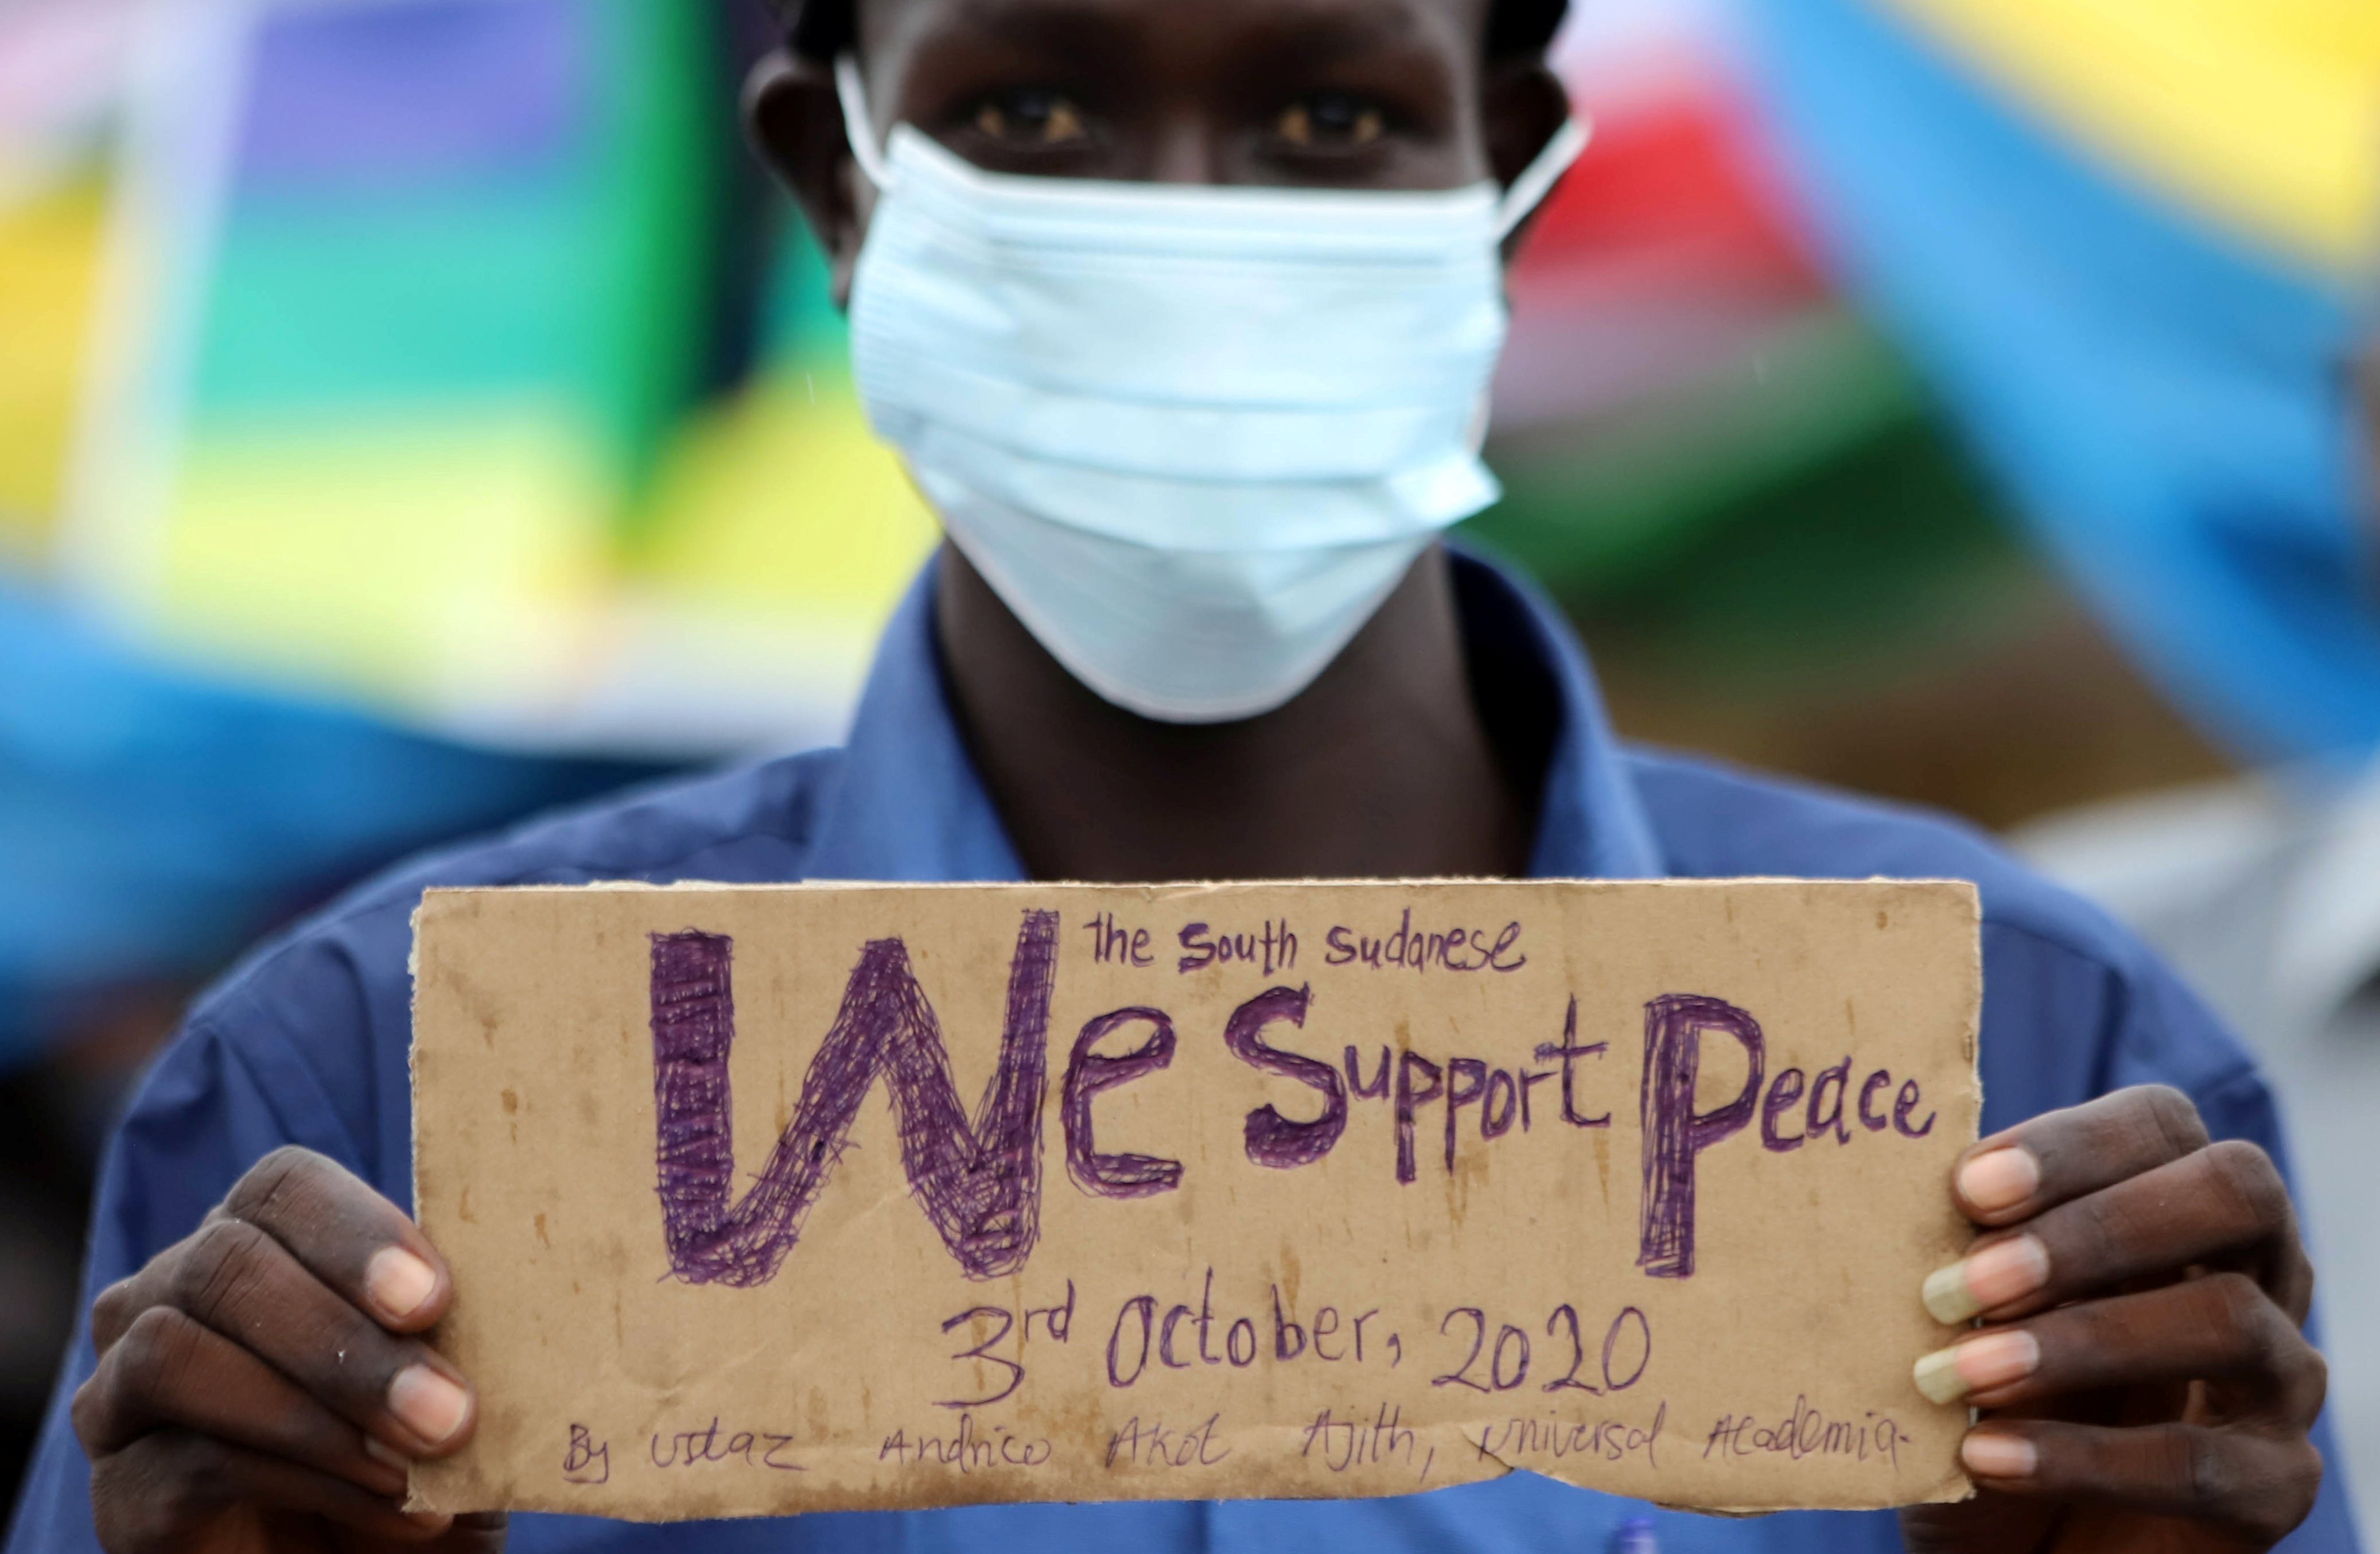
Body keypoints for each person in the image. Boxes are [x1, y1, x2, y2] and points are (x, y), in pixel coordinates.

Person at [0, 0, 2355, 1549]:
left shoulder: (2035, 1047)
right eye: (1031, 113)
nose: (1186, 228)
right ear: (833, 184)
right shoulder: (366, 1077)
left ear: (1504, 173)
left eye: (1328, 115)